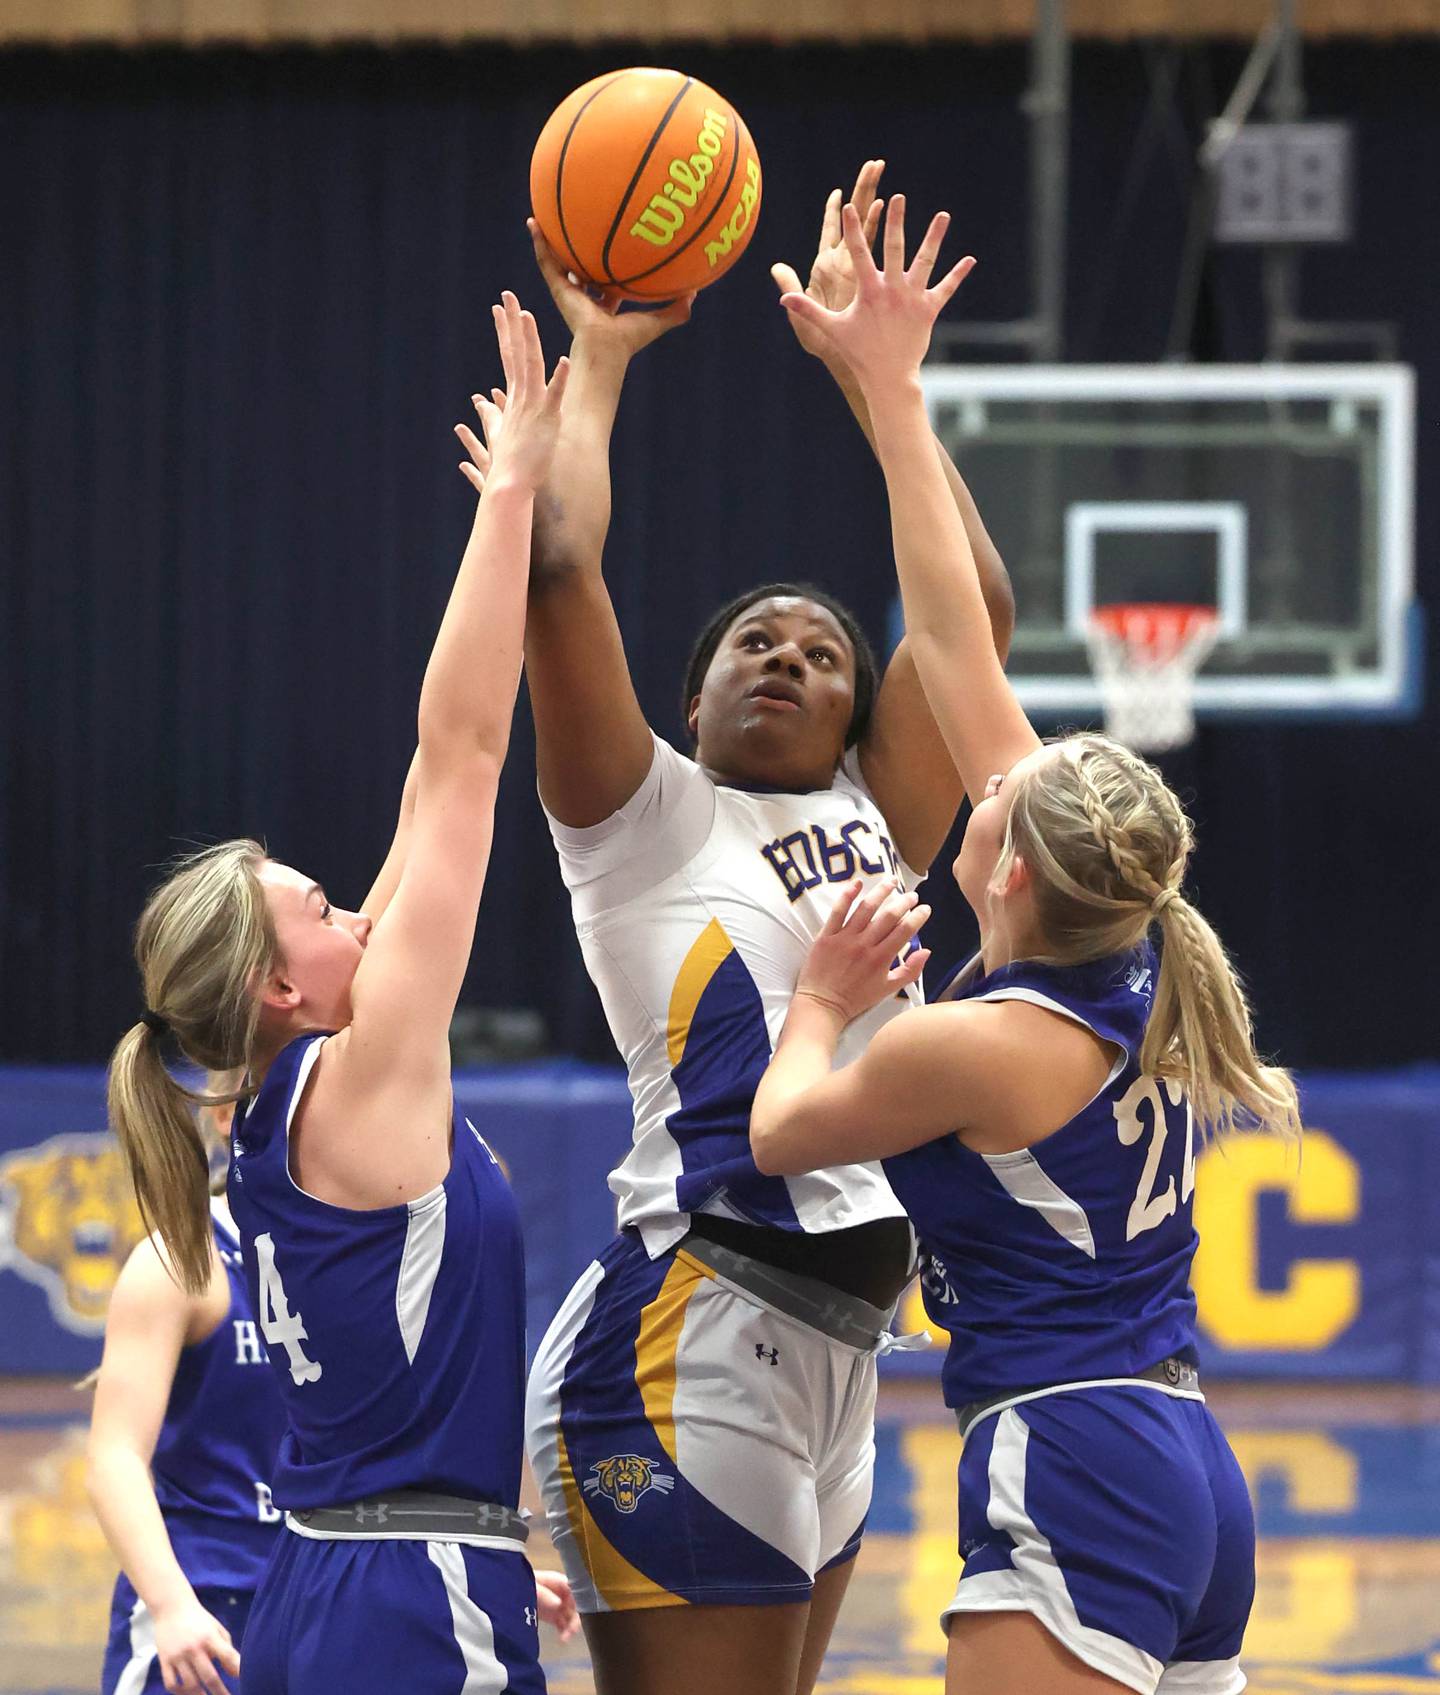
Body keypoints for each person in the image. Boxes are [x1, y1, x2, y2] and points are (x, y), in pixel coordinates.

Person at [748, 196, 1302, 1695]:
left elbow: (787, 1127)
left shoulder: (977, 1042)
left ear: (1005, 874)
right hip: (1188, 1457)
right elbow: (954, 634)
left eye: (997, 803)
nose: (987, 789)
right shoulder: (1137, 952)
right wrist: (889, 391)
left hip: (1074, 1447)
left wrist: (823, 996)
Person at [478, 162, 1012, 1695]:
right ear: (693, 696)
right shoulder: (640, 813)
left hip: (846, 1351)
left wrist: (879, 382)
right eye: (751, 645)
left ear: (856, 708)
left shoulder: (879, 808)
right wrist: (605, 346)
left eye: (824, 649)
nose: (787, 655)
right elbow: (560, 562)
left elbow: (969, 597)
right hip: (692, 1323)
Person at [105, 295, 577, 1695]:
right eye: (318, 909)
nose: (356, 907)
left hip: (336, 1567)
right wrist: (510, 501)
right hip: (407, 1596)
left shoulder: (278, 1105)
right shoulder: (360, 1069)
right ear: (276, 985)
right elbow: (467, 752)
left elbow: (431, 779)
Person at [89, 1088, 286, 1695]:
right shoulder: (181, 1259)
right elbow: (113, 1458)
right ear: (225, 1114)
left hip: (324, 1590)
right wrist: (172, 1605)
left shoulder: (356, 1258)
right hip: (203, 1598)